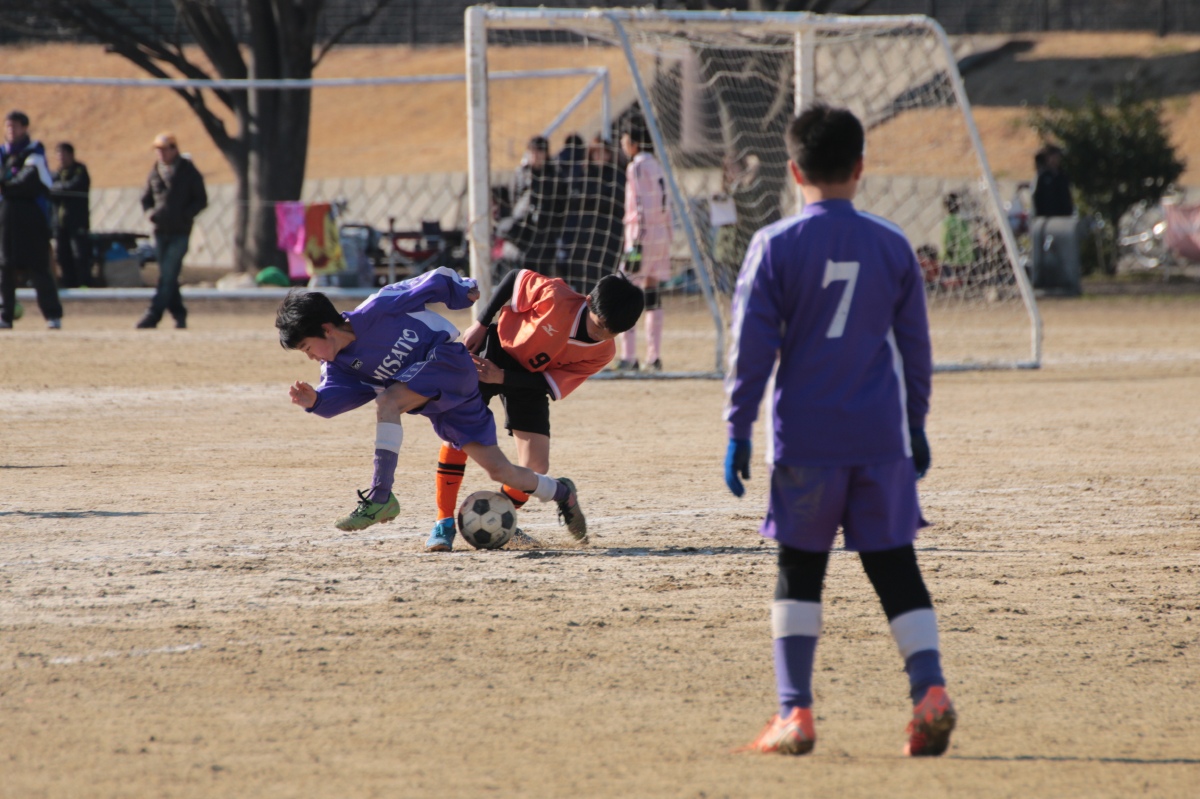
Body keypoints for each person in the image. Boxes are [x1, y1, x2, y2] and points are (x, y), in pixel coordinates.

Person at [724, 104, 954, 758]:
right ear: (860, 168)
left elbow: (750, 349)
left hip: (806, 440)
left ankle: (794, 712)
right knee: (895, 564)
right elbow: (916, 347)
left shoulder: (775, 245)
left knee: (800, 568)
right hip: (880, 438)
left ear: (794, 171)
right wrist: (916, 423)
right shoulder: (892, 243)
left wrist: (739, 427)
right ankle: (930, 691)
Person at [275, 267, 587, 544]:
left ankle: (381, 496)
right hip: (442, 402)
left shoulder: (378, 308)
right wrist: (316, 401)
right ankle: (562, 492)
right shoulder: (339, 368)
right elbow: (336, 398)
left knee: (388, 401)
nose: (310, 356)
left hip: (449, 363)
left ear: (327, 329)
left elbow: (430, 281)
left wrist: (462, 289)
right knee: (499, 470)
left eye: (307, 347)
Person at [424, 268, 644, 552]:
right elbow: (514, 277)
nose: (603, 334)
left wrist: (502, 377)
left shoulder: (604, 352)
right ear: (588, 301)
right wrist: (481, 323)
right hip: (496, 350)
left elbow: (548, 383)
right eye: (600, 325)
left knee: (537, 466)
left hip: (528, 380)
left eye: (613, 332)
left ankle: (499, 518)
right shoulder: (555, 297)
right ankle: (443, 522)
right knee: (457, 434)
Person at [614, 116, 672, 373]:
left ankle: (629, 357)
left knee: (625, 291)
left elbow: (639, 205)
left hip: (641, 238)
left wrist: (636, 243)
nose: (622, 144)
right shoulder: (657, 165)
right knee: (652, 292)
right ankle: (654, 358)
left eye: (624, 139)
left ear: (634, 142)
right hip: (661, 237)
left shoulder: (636, 167)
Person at [137, 132, 207, 329]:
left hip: (180, 231)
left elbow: (201, 199)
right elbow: (145, 198)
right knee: (169, 275)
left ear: (174, 149)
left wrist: (186, 215)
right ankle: (179, 313)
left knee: (167, 274)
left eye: (164, 149)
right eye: (158, 150)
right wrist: (150, 213)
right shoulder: (155, 171)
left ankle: (153, 314)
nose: (160, 153)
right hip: (160, 230)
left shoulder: (188, 171)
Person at [0, 110, 63, 330]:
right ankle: (5, 315)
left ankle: (52, 315)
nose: (11, 130)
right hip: (6, 217)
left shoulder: (34, 151)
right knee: (5, 266)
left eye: (15, 126)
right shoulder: (2, 153)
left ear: (25, 128)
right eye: (8, 126)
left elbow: (28, 181)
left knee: (39, 266)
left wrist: (5, 185)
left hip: (32, 216)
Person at [495, 135, 567, 278]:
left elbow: (561, 205)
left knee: (541, 278)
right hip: (523, 236)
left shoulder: (555, 176)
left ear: (546, 154)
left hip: (545, 237)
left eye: (539, 152)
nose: (535, 156)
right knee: (521, 277)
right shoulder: (520, 173)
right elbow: (513, 198)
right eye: (532, 152)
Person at [565, 135, 625, 295]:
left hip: (611, 234)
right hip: (586, 234)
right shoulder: (582, 174)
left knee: (608, 275)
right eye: (596, 153)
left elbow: (617, 201)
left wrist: (596, 199)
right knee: (586, 274)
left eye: (603, 152)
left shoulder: (617, 175)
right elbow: (574, 198)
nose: (600, 156)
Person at [50, 142, 92, 288]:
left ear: (71, 155)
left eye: (64, 154)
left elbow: (74, 187)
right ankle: (68, 285)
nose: (61, 157)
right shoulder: (56, 174)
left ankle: (84, 284)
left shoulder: (79, 170)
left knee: (79, 254)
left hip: (77, 221)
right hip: (59, 223)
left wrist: (57, 190)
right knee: (62, 255)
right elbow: (48, 190)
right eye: (58, 154)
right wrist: (58, 190)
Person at [1032, 144, 1074, 218]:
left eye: (1057, 157)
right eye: (1053, 157)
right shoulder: (1043, 177)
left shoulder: (1063, 176)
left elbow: (1067, 196)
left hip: (1064, 216)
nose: (1055, 160)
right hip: (1047, 216)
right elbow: (1037, 197)